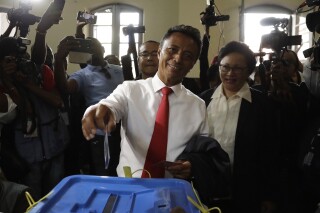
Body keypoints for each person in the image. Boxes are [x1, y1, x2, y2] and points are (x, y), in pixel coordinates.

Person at [81, 25, 209, 180]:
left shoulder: (198, 106)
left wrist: (192, 165)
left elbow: (204, 152)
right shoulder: (131, 90)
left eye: (188, 55)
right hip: (130, 186)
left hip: (173, 190)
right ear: (160, 51)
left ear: (193, 63)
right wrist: (99, 109)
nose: (178, 58)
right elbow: (112, 104)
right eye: (172, 50)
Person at [199, 41, 280, 213]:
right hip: (204, 190)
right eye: (225, 67)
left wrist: (269, 195)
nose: (230, 73)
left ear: (249, 70)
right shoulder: (202, 101)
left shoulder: (262, 105)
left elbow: (271, 153)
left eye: (238, 68)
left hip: (246, 192)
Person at [54, 35, 124, 176]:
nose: (91, 49)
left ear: (103, 49)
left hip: (125, 130)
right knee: (104, 173)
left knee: (125, 171)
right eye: (87, 47)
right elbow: (65, 88)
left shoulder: (119, 69)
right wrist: (59, 60)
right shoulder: (83, 75)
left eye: (93, 45)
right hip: (102, 133)